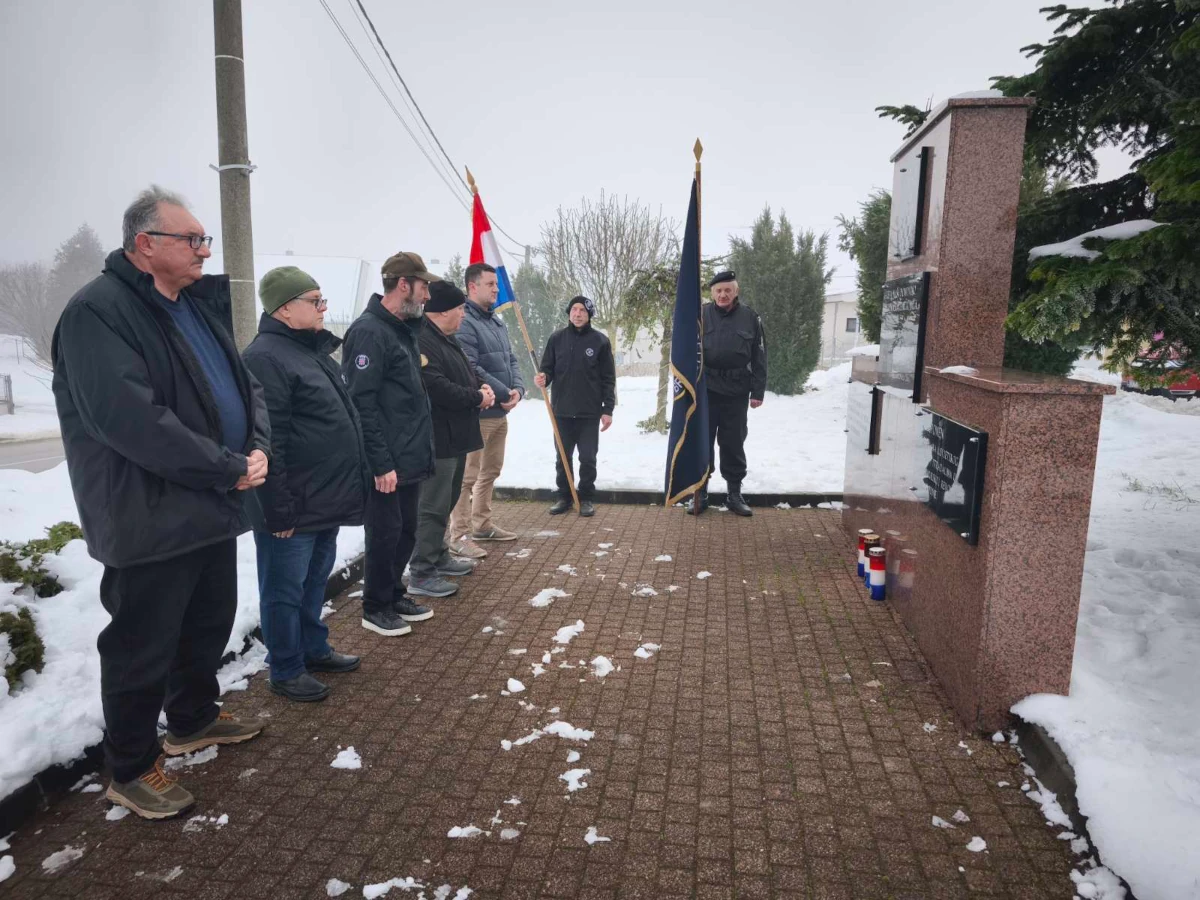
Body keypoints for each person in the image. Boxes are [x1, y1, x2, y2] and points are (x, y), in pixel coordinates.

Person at [51, 186, 269, 819]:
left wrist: (256, 447)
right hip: (147, 514)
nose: (205, 250)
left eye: (204, 239)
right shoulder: (98, 312)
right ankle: (130, 768)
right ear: (145, 245)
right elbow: (132, 421)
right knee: (141, 648)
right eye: (193, 239)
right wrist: (228, 467)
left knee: (206, 624)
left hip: (209, 503)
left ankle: (193, 720)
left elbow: (245, 387)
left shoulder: (193, 305)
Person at [242, 266, 371, 702]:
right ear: (284, 309)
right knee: (283, 591)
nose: (323, 308)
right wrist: (276, 509)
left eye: (322, 299)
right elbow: (268, 439)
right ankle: (285, 668)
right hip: (291, 505)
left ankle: (313, 648)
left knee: (313, 583)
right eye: (314, 301)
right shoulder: (265, 358)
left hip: (322, 498)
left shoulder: (309, 350)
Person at [342, 252, 440, 633]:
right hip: (387, 462)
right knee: (384, 533)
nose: (427, 295)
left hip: (409, 457)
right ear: (403, 285)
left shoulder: (403, 329)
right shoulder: (369, 332)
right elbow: (361, 404)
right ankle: (375, 605)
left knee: (405, 530)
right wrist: (380, 463)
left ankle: (394, 592)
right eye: (424, 287)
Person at [411, 281, 496, 588]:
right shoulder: (423, 340)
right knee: (432, 506)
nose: (463, 314)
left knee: (446, 501)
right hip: (438, 438)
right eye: (460, 308)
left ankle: (438, 555)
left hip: (456, 436)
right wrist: (477, 397)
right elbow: (436, 387)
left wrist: (480, 387)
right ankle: (422, 570)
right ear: (443, 311)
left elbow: (464, 372)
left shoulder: (446, 338)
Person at [447, 262, 526, 556]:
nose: (496, 289)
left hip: (500, 413)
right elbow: (470, 366)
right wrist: (504, 392)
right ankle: (459, 535)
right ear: (472, 286)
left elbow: (512, 359)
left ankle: (482, 524)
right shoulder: (465, 322)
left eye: (496, 284)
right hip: (479, 413)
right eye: (490, 284)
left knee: (490, 471)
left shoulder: (496, 322)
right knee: (466, 477)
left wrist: (519, 390)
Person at [693, 271, 767, 518]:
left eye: (727, 290)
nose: (723, 294)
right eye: (718, 290)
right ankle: (700, 493)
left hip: (736, 391)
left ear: (736, 292)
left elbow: (759, 357)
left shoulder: (750, 318)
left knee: (733, 443)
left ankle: (734, 494)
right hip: (706, 391)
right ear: (712, 293)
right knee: (703, 442)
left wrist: (758, 391)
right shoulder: (700, 315)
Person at [533, 295, 616, 518]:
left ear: (589, 315)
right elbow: (547, 369)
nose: (577, 314)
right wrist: (543, 378)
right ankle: (564, 496)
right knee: (563, 457)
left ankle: (586, 497)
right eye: (574, 310)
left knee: (588, 458)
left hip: (589, 413)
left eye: (582, 311)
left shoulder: (600, 341)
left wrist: (607, 409)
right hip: (561, 411)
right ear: (569, 313)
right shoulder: (556, 339)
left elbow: (608, 379)